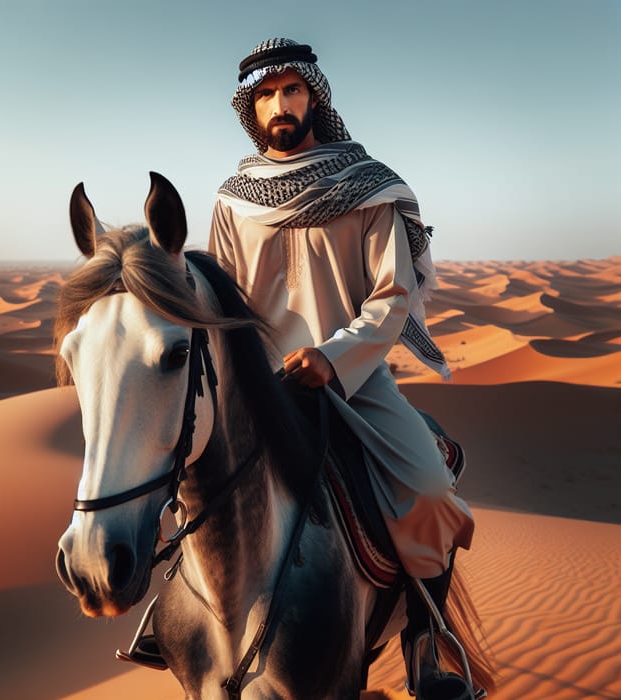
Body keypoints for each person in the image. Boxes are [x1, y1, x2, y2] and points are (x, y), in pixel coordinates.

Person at [209, 38, 477, 697]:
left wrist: (333, 358)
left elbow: (391, 296)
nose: (280, 103)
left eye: (292, 89)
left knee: (431, 493)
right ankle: (176, 619)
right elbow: (224, 308)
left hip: (350, 379)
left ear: (315, 97)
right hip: (258, 386)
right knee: (175, 489)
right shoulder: (232, 200)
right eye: (267, 94)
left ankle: (426, 647)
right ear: (251, 107)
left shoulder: (366, 186)